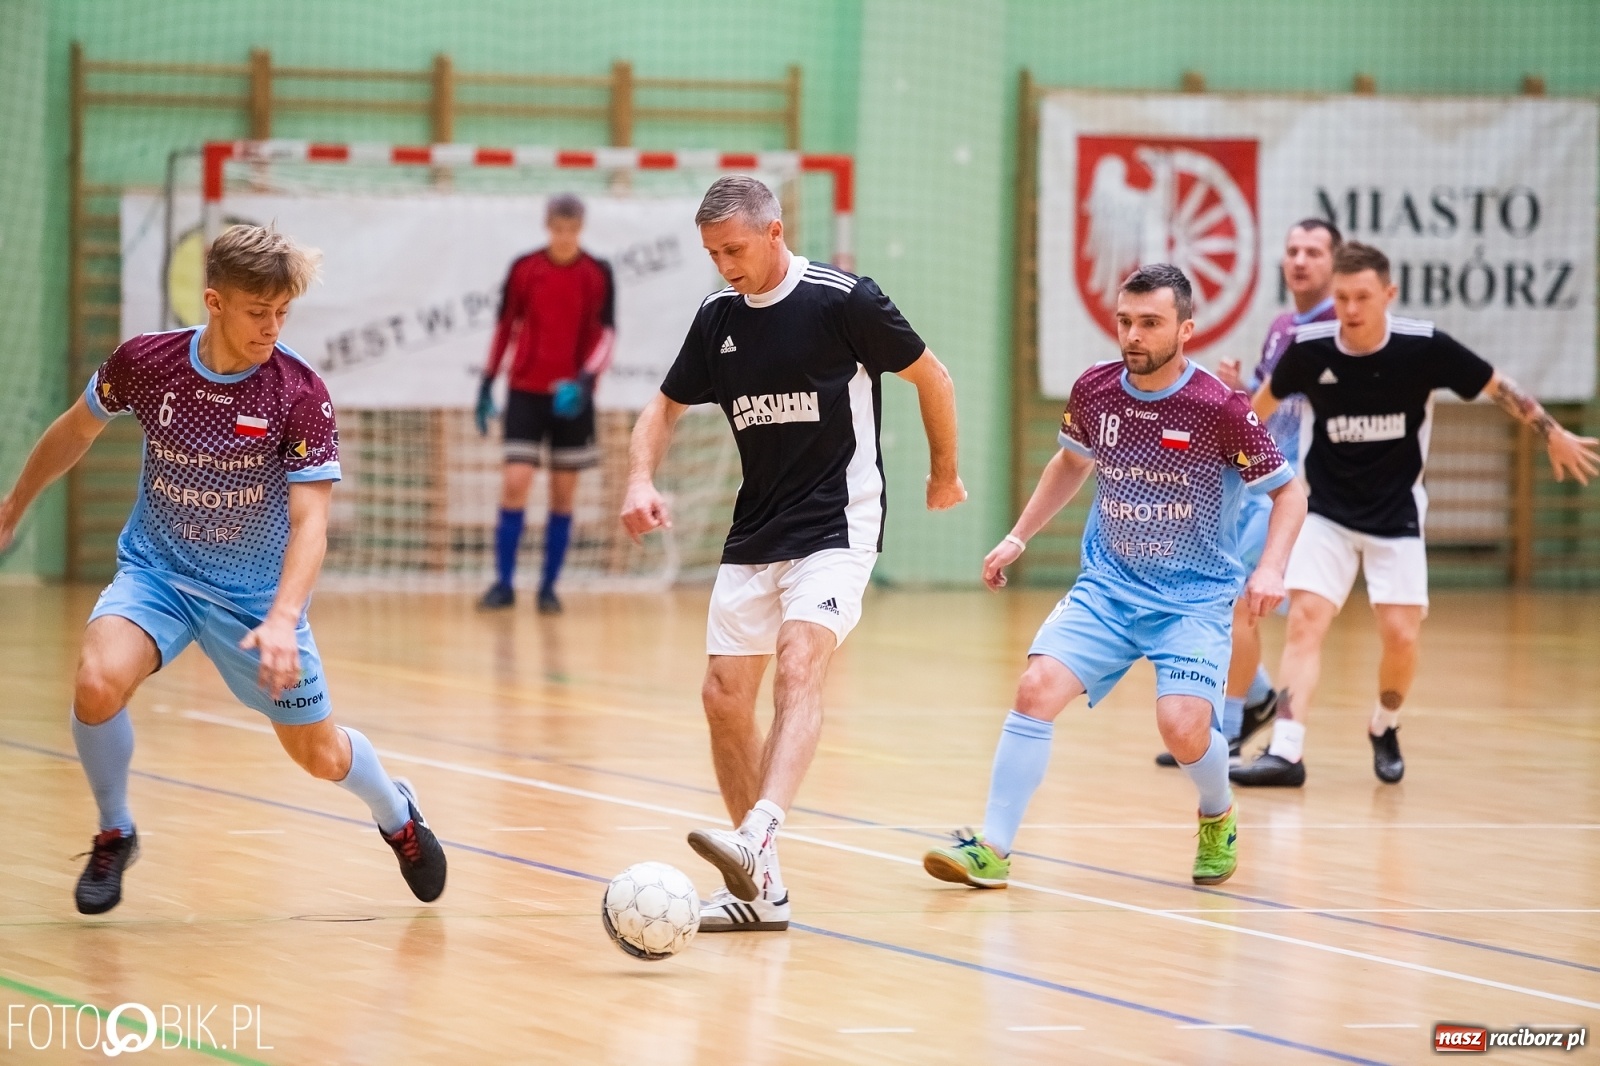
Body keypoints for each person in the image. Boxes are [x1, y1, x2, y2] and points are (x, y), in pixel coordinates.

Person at [0, 225, 446, 914]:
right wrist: (13, 505)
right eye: (256, 311)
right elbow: (76, 429)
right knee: (95, 684)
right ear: (213, 300)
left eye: (283, 314)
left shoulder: (296, 391)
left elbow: (311, 522)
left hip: (256, 598)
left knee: (319, 756)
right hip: (159, 574)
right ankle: (115, 830)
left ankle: (398, 814)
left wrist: (281, 619)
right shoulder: (147, 364)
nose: (272, 327)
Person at [621, 175, 963, 932]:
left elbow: (932, 376)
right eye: (712, 254)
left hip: (840, 522)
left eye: (734, 249)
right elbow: (664, 406)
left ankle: (757, 835)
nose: (725, 266)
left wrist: (944, 473)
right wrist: (640, 478)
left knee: (800, 662)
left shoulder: (844, 301)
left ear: (775, 232)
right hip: (758, 528)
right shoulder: (718, 318)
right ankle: (759, 887)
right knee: (722, 698)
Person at [923, 264, 1306, 890]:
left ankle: (1218, 811)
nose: (1133, 335)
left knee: (1183, 727)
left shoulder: (1219, 408)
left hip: (1193, 598)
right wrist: (1019, 534)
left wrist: (1269, 568)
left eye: (1150, 323)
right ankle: (992, 847)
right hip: (1108, 586)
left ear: (1185, 329)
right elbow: (1071, 463)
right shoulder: (1097, 391)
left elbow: (1291, 494)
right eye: (1125, 321)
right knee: (1035, 687)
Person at [1232, 241, 1599, 787]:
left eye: (1362, 297)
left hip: (1396, 513)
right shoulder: (1309, 349)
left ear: (1388, 294)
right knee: (1307, 622)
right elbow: (1253, 414)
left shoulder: (1423, 347)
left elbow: (1498, 386)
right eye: (1341, 298)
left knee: (1401, 637)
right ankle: (1287, 752)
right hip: (1325, 511)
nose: (1350, 309)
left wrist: (1552, 431)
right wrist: (1219, 465)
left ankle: (1385, 724)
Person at [1155, 219, 1340, 768]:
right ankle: (1254, 699)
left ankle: (1227, 731)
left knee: (1239, 604)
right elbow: (1270, 405)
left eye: (1313, 251)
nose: (1300, 260)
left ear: (1335, 262)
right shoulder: (1285, 325)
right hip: (1256, 478)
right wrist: (1239, 391)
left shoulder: (1335, 329)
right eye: (1292, 250)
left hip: (1297, 486)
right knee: (1217, 597)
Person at [476, 194, 616, 614]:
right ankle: (503, 584)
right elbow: (505, 326)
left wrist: (586, 382)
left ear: (581, 228)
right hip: (525, 392)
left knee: (562, 494)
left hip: (572, 399)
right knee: (515, 482)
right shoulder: (525, 269)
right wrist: (487, 382)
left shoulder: (596, 273)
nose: (564, 236)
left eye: (571, 229)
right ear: (547, 226)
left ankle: (548, 587)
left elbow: (605, 335)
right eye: (557, 228)